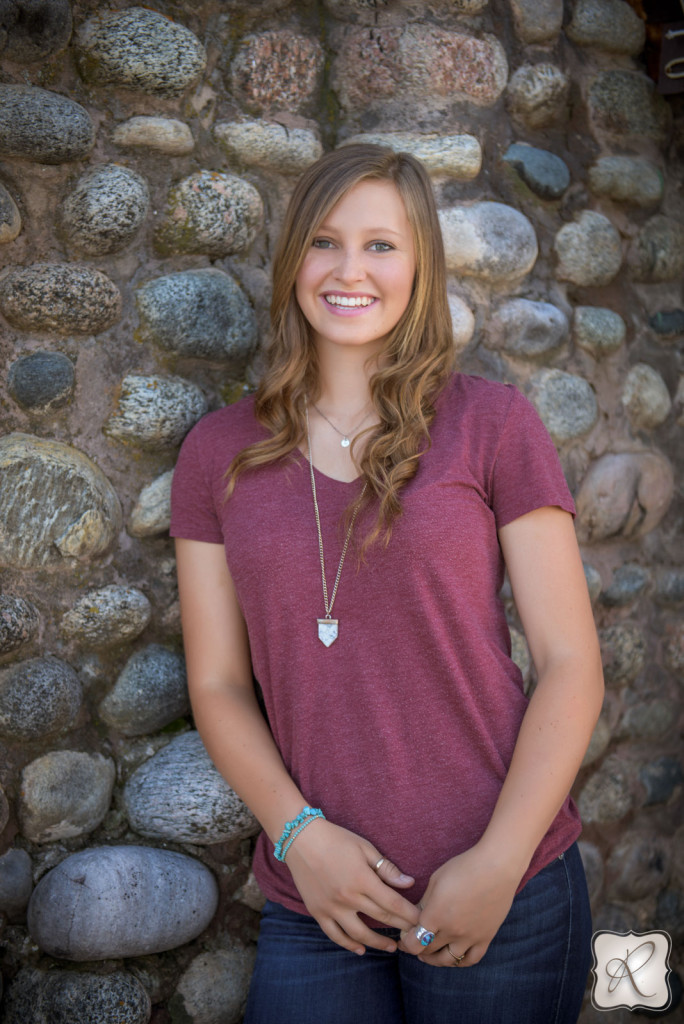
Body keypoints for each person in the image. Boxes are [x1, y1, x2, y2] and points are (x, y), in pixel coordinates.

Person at [170, 144, 605, 1024]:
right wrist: (301, 837)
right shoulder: (216, 454)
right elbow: (217, 683)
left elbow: (570, 663)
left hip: (502, 892)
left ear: (420, 267)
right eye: (326, 242)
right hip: (316, 899)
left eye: (382, 245)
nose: (349, 270)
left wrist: (500, 862)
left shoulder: (493, 425)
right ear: (294, 257)